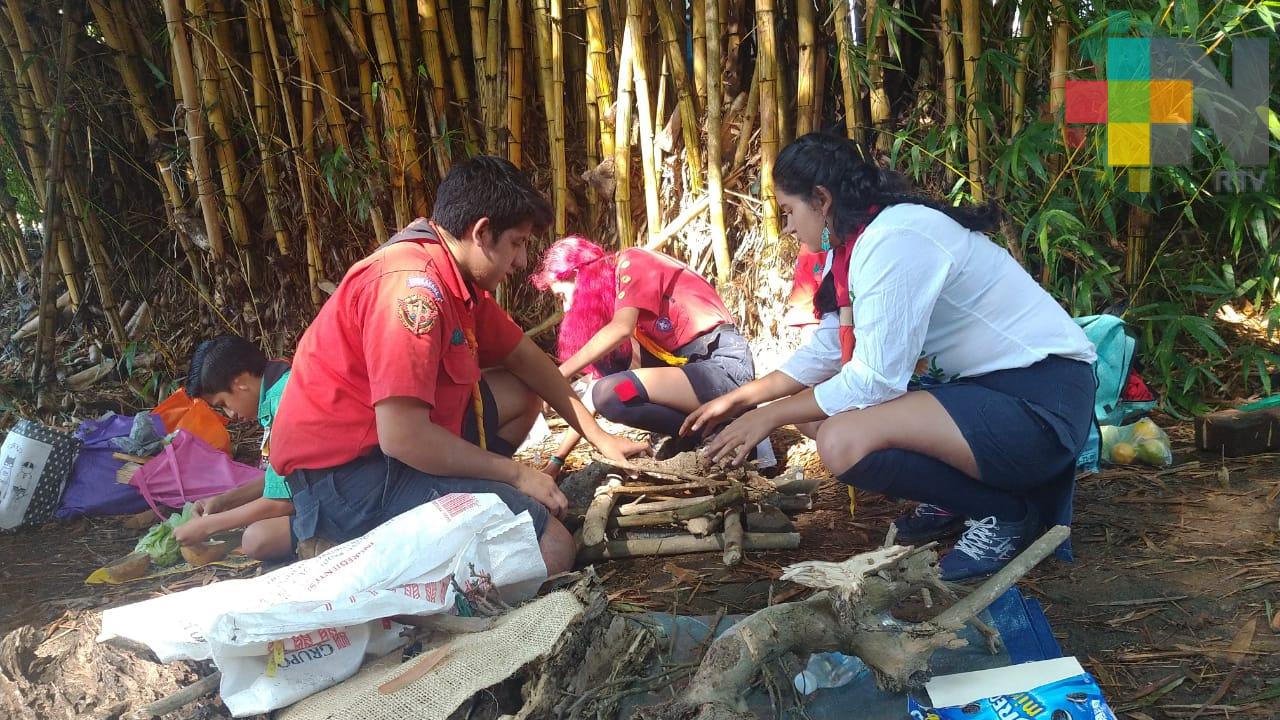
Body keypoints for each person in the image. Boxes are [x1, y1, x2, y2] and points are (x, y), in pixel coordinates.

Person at [683, 133, 1097, 581]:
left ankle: (1004, 513)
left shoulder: (894, 241)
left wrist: (769, 416)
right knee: (813, 417)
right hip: (986, 393)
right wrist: (742, 400)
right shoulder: (854, 246)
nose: (788, 227)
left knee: (840, 438)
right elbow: (827, 350)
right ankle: (956, 496)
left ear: (821, 200)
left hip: (1040, 404)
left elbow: (875, 379)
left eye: (788, 211)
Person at [269, 156, 649, 574]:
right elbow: (402, 436)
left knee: (521, 391)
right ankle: (355, 552)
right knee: (550, 547)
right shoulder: (412, 290)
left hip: (386, 454)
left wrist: (600, 438)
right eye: (517, 243)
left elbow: (528, 361)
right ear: (481, 232)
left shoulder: (454, 277)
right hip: (350, 481)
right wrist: (515, 475)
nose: (521, 262)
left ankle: (461, 507)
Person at [530, 236, 762, 475]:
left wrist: (556, 376)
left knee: (610, 392)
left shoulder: (633, 261)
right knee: (615, 394)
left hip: (721, 369)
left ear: (579, 274)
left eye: (562, 296)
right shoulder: (630, 314)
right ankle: (709, 435)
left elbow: (620, 330)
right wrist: (557, 461)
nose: (566, 308)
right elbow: (592, 396)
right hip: (689, 376)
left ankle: (723, 431)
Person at [173, 335, 294, 561]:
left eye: (223, 404)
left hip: (343, 498)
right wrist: (225, 501)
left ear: (241, 383)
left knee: (257, 539)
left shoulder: (284, 401)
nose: (230, 415)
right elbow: (281, 477)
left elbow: (282, 503)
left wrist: (209, 526)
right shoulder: (280, 388)